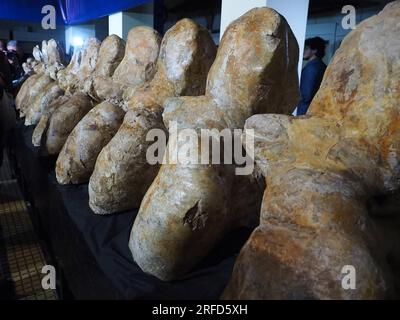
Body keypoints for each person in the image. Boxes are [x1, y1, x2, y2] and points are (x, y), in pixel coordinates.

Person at [296, 37, 327, 116]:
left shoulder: (311, 68)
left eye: (306, 48)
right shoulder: (322, 66)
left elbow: (306, 95)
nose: (303, 51)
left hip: (305, 110)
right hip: (315, 109)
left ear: (314, 50)